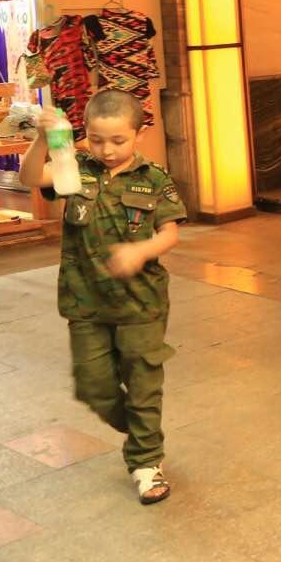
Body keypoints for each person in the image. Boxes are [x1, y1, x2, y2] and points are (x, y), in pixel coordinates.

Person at [20, 89, 186, 504]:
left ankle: (146, 462)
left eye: (118, 140)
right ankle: (143, 428)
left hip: (141, 302)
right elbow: (29, 178)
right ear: (85, 134)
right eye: (96, 140)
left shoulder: (154, 178)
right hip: (85, 300)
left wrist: (140, 251)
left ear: (139, 135)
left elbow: (170, 233)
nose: (106, 150)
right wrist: (42, 138)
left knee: (143, 383)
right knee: (93, 386)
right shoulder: (73, 166)